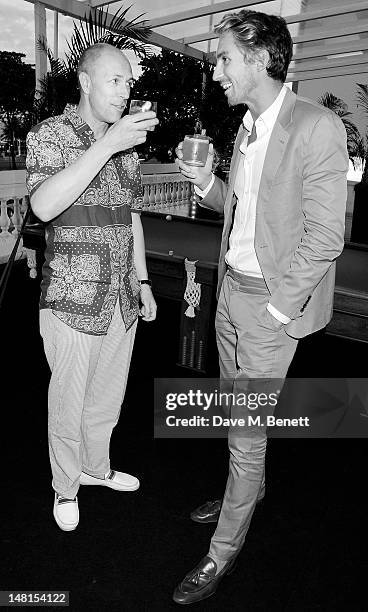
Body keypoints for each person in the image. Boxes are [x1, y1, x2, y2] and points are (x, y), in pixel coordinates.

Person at [174, 10, 348, 604]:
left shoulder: (316, 127)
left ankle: (221, 553)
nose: (216, 68)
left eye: (223, 57)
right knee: (233, 412)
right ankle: (244, 493)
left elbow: (325, 236)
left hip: (269, 310)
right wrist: (204, 185)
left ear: (258, 57)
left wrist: (276, 312)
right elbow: (243, 213)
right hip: (230, 297)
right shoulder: (246, 127)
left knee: (247, 437)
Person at [26, 43, 158, 532]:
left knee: (106, 399)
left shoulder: (129, 149)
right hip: (72, 300)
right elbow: (42, 207)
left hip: (119, 297)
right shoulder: (50, 135)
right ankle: (65, 487)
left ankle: (94, 468)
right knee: (68, 402)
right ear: (85, 82)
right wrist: (107, 145)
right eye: (115, 81)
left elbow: (132, 219)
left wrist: (142, 280)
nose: (126, 92)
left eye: (128, 82)